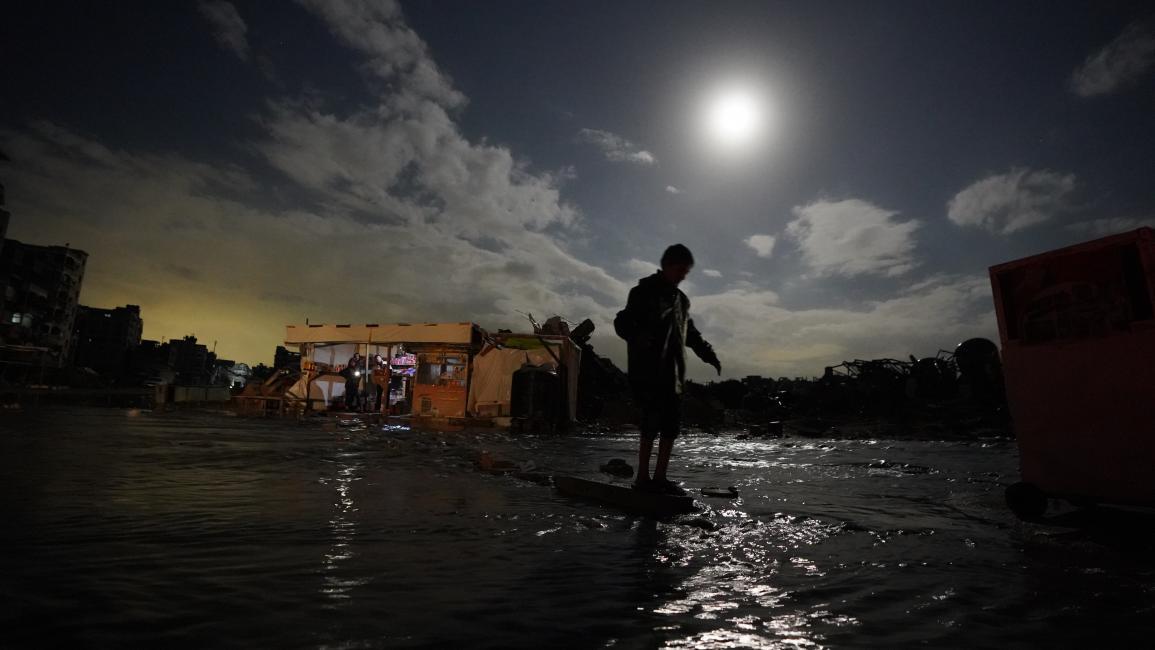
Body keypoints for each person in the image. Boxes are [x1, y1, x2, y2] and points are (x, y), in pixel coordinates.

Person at [614, 243, 721, 495]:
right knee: (650, 422)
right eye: (682, 269)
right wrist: (638, 336)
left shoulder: (682, 301)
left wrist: (710, 355)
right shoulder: (643, 292)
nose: (684, 275)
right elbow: (623, 322)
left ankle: (660, 477)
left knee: (671, 425)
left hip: (674, 373)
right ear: (669, 266)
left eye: (687, 271)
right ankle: (642, 478)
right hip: (648, 369)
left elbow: (691, 334)